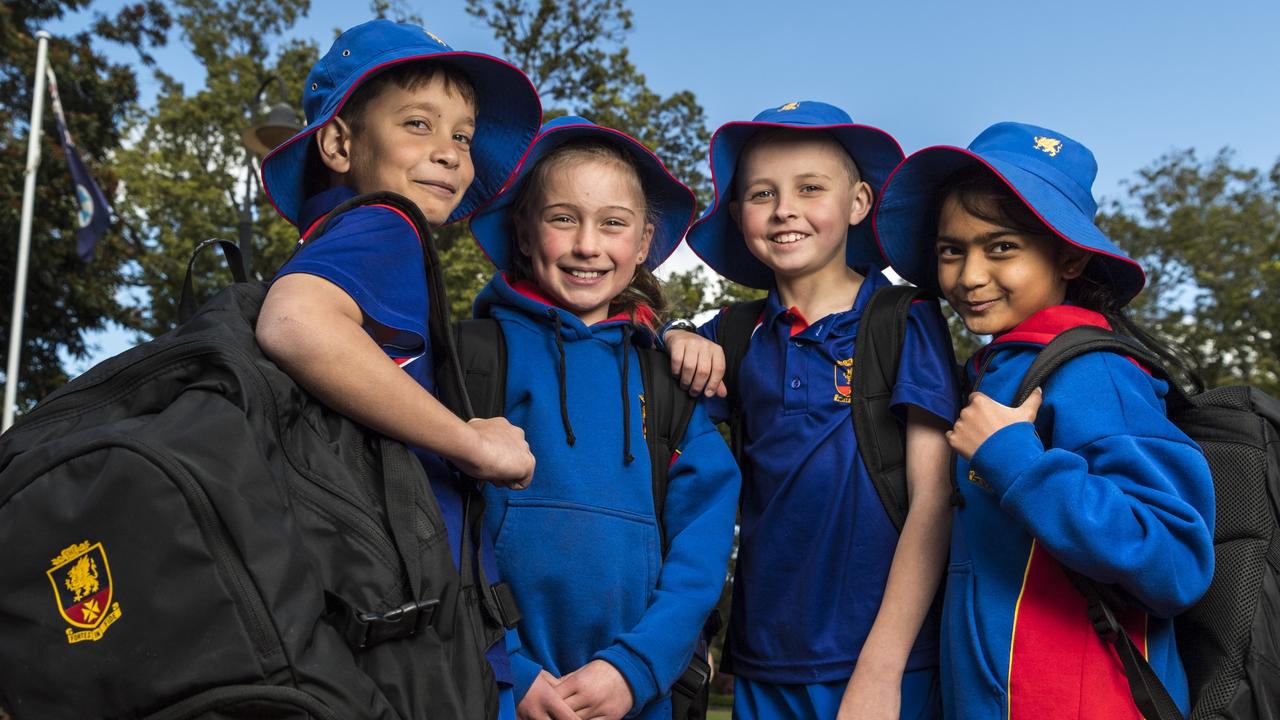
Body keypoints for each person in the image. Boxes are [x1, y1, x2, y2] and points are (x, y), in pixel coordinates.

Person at [874, 121, 1216, 719]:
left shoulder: (1095, 371)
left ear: (1069, 257)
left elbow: (1176, 559)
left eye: (1001, 246)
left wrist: (1017, 461)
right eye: (951, 250)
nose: (970, 275)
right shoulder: (995, 370)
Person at [254, 19, 542, 717]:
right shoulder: (386, 226)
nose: (448, 153)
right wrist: (474, 443)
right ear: (340, 143)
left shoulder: (340, 236)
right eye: (418, 124)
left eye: (464, 136)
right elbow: (294, 322)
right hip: (414, 639)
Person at [666, 101, 959, 719]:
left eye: (810, 188)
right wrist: (673, 332)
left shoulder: (904, 319)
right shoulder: (735, 333)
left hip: (889, 657)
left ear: (857, 203)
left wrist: (882, 668)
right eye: (761, 193)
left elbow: (933, 503)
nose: (784, 209)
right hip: (766, 652)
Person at [466, 116, 741, 720]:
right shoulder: (471, 359)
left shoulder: (665, 381)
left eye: (613, 224)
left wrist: (636, 667)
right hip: (497, 685)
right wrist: (507, 666)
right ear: (524, 231)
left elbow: (701, 544)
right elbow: (435, 528)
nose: (588, 245)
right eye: (563, 218)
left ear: (642, 244)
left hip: (636, 695)